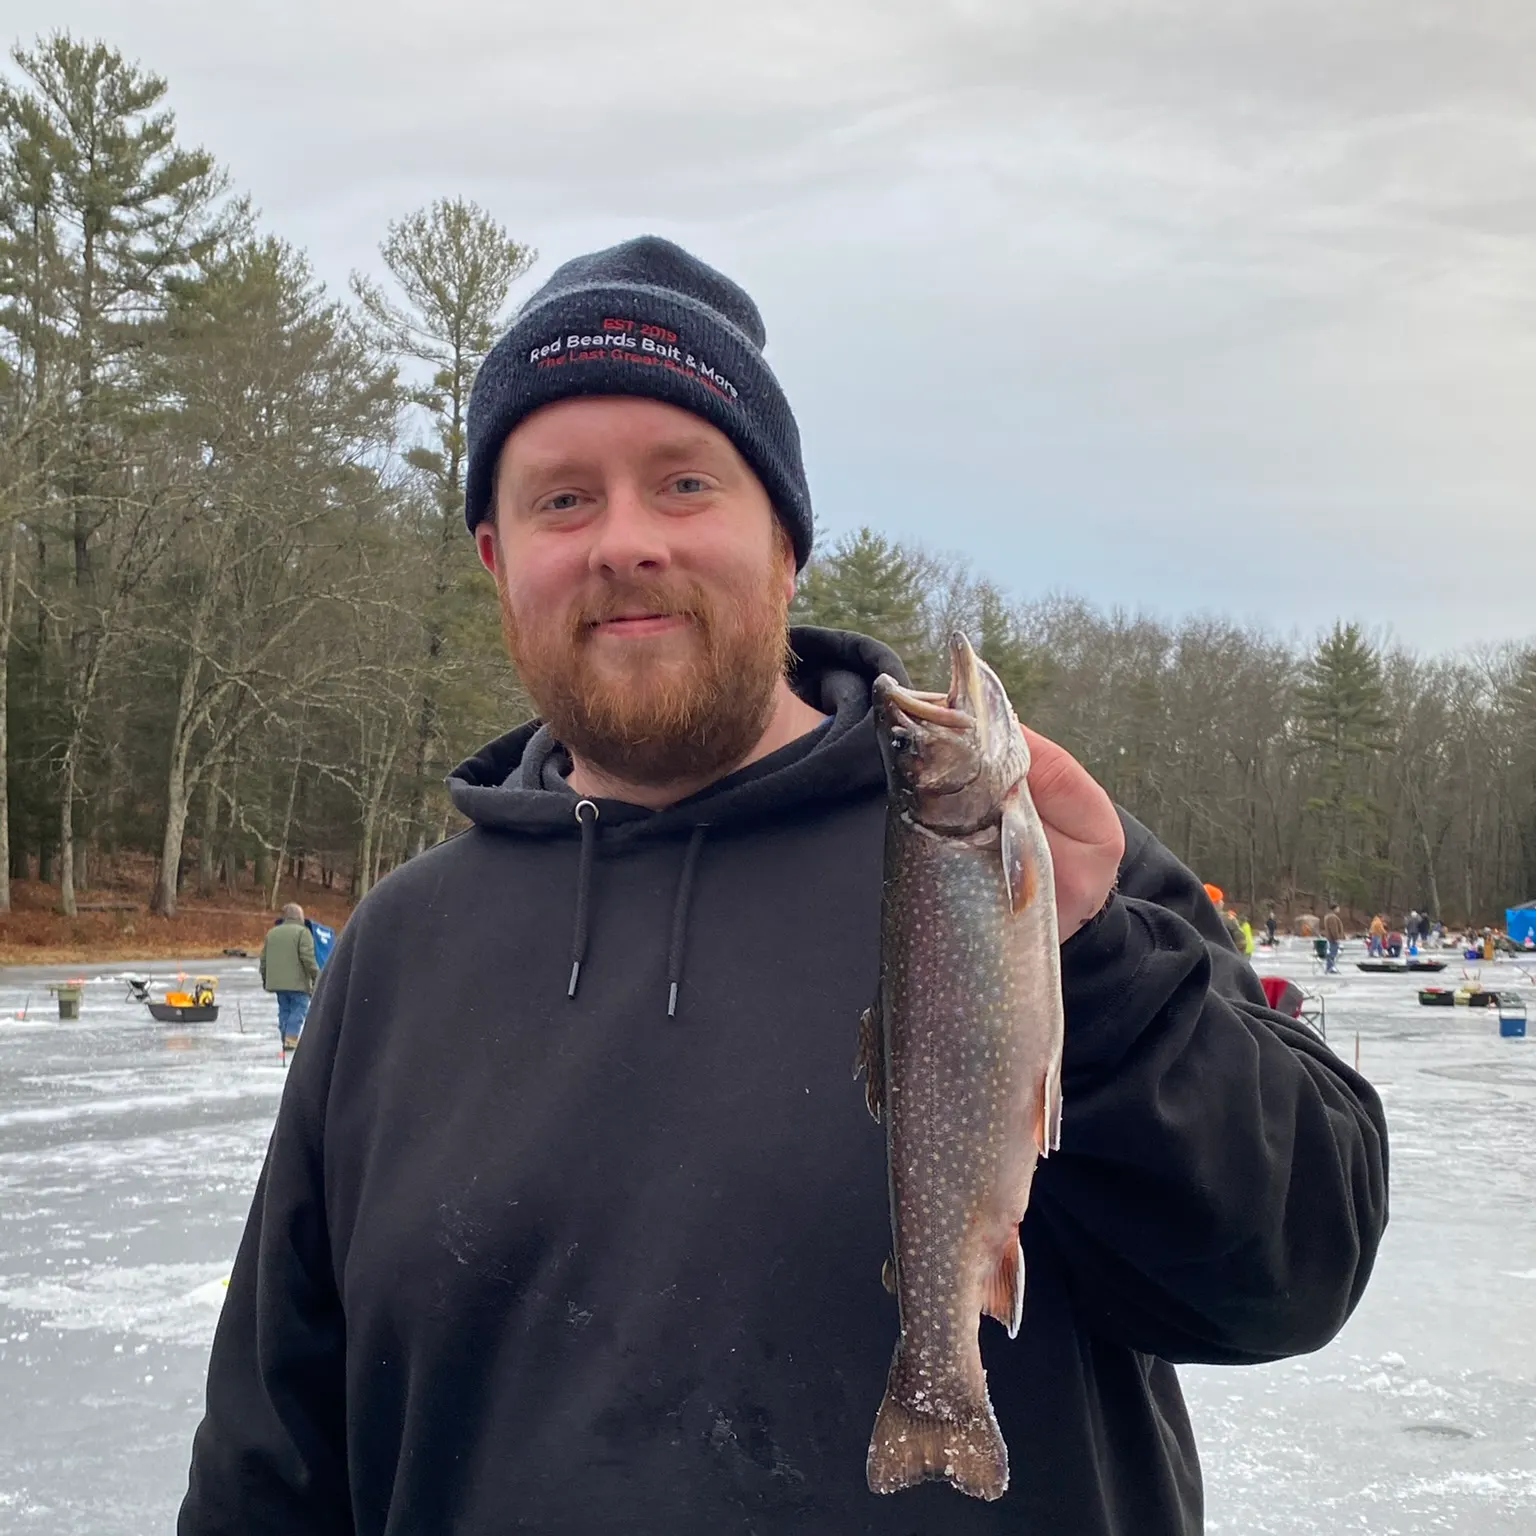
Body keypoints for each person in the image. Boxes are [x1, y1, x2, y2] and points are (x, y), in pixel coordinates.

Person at [178, 237, 1388, 1536]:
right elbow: (273, 1464)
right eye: (563, 501)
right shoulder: (398, 955)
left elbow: (1294, 1269)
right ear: (495, 557)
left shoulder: (1036, 870)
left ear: (787, 543)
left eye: (685, 483)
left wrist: (1111, 979)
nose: (624, 542)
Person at [259, 902, 318, 1049]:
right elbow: (307, 958)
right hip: (297, 983)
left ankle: (285, 1036)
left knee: (284, 1009)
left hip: (277, 982)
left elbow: (264, 960)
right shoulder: (303, 933)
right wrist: (317, 976)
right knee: (299, 1009)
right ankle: (290, 1039)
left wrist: (265, 979)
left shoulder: (272, 933)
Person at [1323, 903, 1346, 973]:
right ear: (1335, 908)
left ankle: (1330, 967)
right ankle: (1330, 967)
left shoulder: (1328, 916)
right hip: (1333, 938)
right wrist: (1336, 938)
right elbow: (1334, 929)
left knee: (1332, 952)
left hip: (1330, 938)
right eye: (1338, 908)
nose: (1339, 909)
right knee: (1333, 953)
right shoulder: (1332, 917)